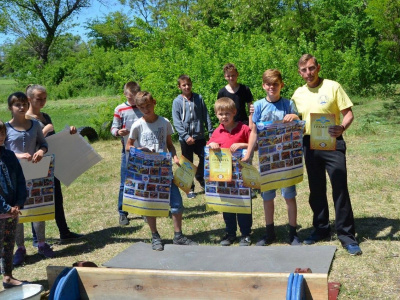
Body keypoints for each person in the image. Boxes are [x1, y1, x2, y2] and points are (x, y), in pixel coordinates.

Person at [291, 54, 362, 255]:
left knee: (339, 187)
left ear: (318, 67)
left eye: (312, 68)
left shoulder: (333, 86)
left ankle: (347, 235)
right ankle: (321, 228)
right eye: (304, 70)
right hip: (309, 143)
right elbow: (296, 118)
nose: (308, 73)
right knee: (316, 189)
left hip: (333, 142)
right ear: (299, 72)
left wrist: (341, 127)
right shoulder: (297, 94)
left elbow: (348, 113)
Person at [125, 91, 198, 251]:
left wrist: (175, 157)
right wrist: (139, 149)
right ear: (138, 107)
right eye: (142, 107)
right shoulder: (137, 125)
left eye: (148, 105)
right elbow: (128, 146)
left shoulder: (164, 122)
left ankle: (178, 236)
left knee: (177, 204)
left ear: (154, 103)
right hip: (147, 172)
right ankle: (155, 236)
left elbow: (170, 144)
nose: (146, 109)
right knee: (150, 205)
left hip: (165, 170)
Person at [242, 69, 301, 246]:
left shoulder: (288, 104)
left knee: (289, 196)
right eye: (268, 84)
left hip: (286, 158)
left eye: (275, 84)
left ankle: (293, 233)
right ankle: (270, 233)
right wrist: (248, 154)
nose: (271, 87)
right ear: (263, 86)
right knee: (267, 197)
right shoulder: (259, 106)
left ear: (281, 85)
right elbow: (253, 132)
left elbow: (299, 126)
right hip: (266, 160)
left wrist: (295, 116)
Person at [25, 84, 84, 245]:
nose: (43, 101)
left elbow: (52, 141)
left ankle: (65, 233)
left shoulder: (46, 117)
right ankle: (37, 240)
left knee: (57, 198)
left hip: (51, 163)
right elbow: (28, 145)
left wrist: (69, 132)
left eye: (45, 98)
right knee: (36, 201)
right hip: (35, 165)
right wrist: (45, 130)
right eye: (39, 99)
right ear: (29, 99)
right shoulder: (25, 119)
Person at [4, 92, 54, 266]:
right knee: (18, 211)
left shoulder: (34, 125)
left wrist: (41, 151)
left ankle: (41, 243)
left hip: (35, 172)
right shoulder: (6, 128)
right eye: (17, 104)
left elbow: (44, 143)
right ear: (10, 107)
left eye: (24, 103)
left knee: (37, 207)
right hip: (14, 176)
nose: (22, 107)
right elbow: (2, 149)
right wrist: (18, 155)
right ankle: (20, 248)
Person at [207, 97, 252, 246]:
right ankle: (230, 233)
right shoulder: (217, 131)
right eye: (220, 114)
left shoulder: (244, 128)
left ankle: (245, 234)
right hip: (224, 176)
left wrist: (242, 144)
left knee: (243, 203)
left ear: (234, 112)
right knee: (227, 204)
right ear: (216, 115)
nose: (224, 117)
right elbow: (209, 147)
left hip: (241, 175)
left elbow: (254, 145)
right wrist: (212, 144)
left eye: (227, 113)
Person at [172, 75, 213, 198]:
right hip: (186, 139)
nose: (187, 87)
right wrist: (185, 136)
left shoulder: (198, 98)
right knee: (187, 163)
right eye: (184, 85)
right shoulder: (177, 101)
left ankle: (200, 177)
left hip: (199, 136)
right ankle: (190, 188)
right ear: (179, 87)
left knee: (205, 157)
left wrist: (211, 132)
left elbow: (206, 115)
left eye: (188, 84)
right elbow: (177, 121)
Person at [0, 120, 30, 288]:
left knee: (8, 245)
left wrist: (18, 203)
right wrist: (6, 207)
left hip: (12, 211)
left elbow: (20, 180)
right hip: (3, 209)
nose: (1, 136)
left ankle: (8, 277)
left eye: (3, 133)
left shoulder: (10, 155)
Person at [111, 82, 143, 226]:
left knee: (142, 180)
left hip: (143, 149)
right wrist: (118, 132)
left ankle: (143, 209)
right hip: (127, 151)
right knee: (125, 183)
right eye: (131, 98)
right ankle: (123, 213)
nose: (133, 101)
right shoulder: (120, 109)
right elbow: (113, 128)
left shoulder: (143, 106)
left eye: (135, 97)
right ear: (125, 94)